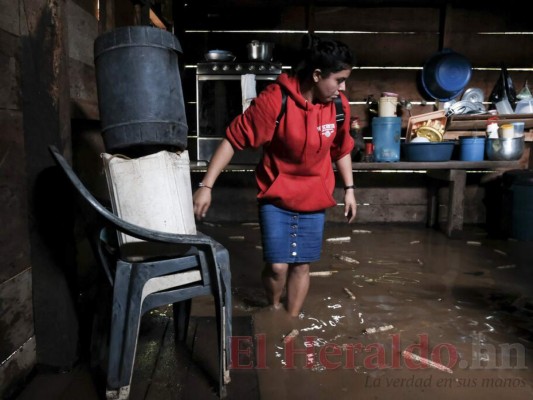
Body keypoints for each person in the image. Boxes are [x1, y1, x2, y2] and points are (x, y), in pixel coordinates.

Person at [193, 35, 357, 317]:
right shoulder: (275, 100)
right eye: (339, 80)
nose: (343, 87)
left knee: (302, 265)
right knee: (278, 265)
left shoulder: (339, 107)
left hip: (314, 198)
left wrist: (350, 189)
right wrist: (206, 185)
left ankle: (290, 320)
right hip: (276, 196)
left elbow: (341, 149)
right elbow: (233, 140)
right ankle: (273, 307)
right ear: (317, 75)